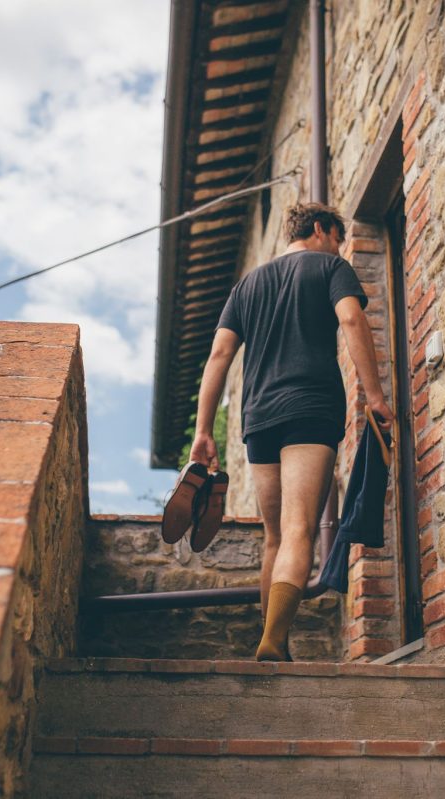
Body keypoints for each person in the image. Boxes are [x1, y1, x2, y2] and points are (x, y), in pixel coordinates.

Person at [188, 202, 394, 661]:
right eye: (337, 237)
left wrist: (204, 432)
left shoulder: (247, 285)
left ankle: (270, 639)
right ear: (321, 229)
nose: (339, 247)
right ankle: (274, 642)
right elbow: (351, 319)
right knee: (300, 528)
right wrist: (375, 396)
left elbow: (219, 355)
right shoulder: (330, 267)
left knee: (275, 537)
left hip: (259, 417)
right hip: (309, 409)